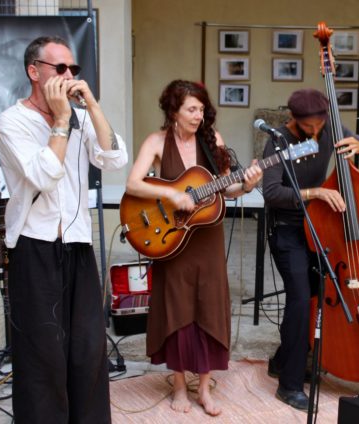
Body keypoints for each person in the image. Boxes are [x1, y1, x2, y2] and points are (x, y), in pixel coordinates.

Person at [0, 36, 128, 422]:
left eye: (74, 68)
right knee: (43, 355)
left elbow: (114, 158)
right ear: (34, 72)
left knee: (87, 349)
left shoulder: (81, 117)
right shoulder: (12, 122)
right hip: (34, 247)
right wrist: (60, 120)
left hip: (77, 244)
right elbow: (44, 175)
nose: (70, 75)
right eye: (61, 68)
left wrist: (93, 106)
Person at [125, 80, 262, 416]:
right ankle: (177, 387)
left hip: (207, 239)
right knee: (176, 307)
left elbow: (226, 189)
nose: (198, 116)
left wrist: (246, 186)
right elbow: (133, 183)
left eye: (201, 109)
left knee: (208, 307)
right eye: (191, 109)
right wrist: (173, 195)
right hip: (172, 239)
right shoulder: (156, 141)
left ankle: (203, 388)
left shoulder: (213, 140)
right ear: (174, 110)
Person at [262, 89, 359, 411]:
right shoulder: (278, 142)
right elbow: (271, 192)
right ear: (293, 119)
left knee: (317, 295)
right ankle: (289, 385)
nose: (316, 133)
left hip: (320, 227)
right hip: (287, 229)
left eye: (320, 125)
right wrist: (315, 192)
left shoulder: (331, 127)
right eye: (308, 127)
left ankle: (282, 360)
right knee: (300, 299)